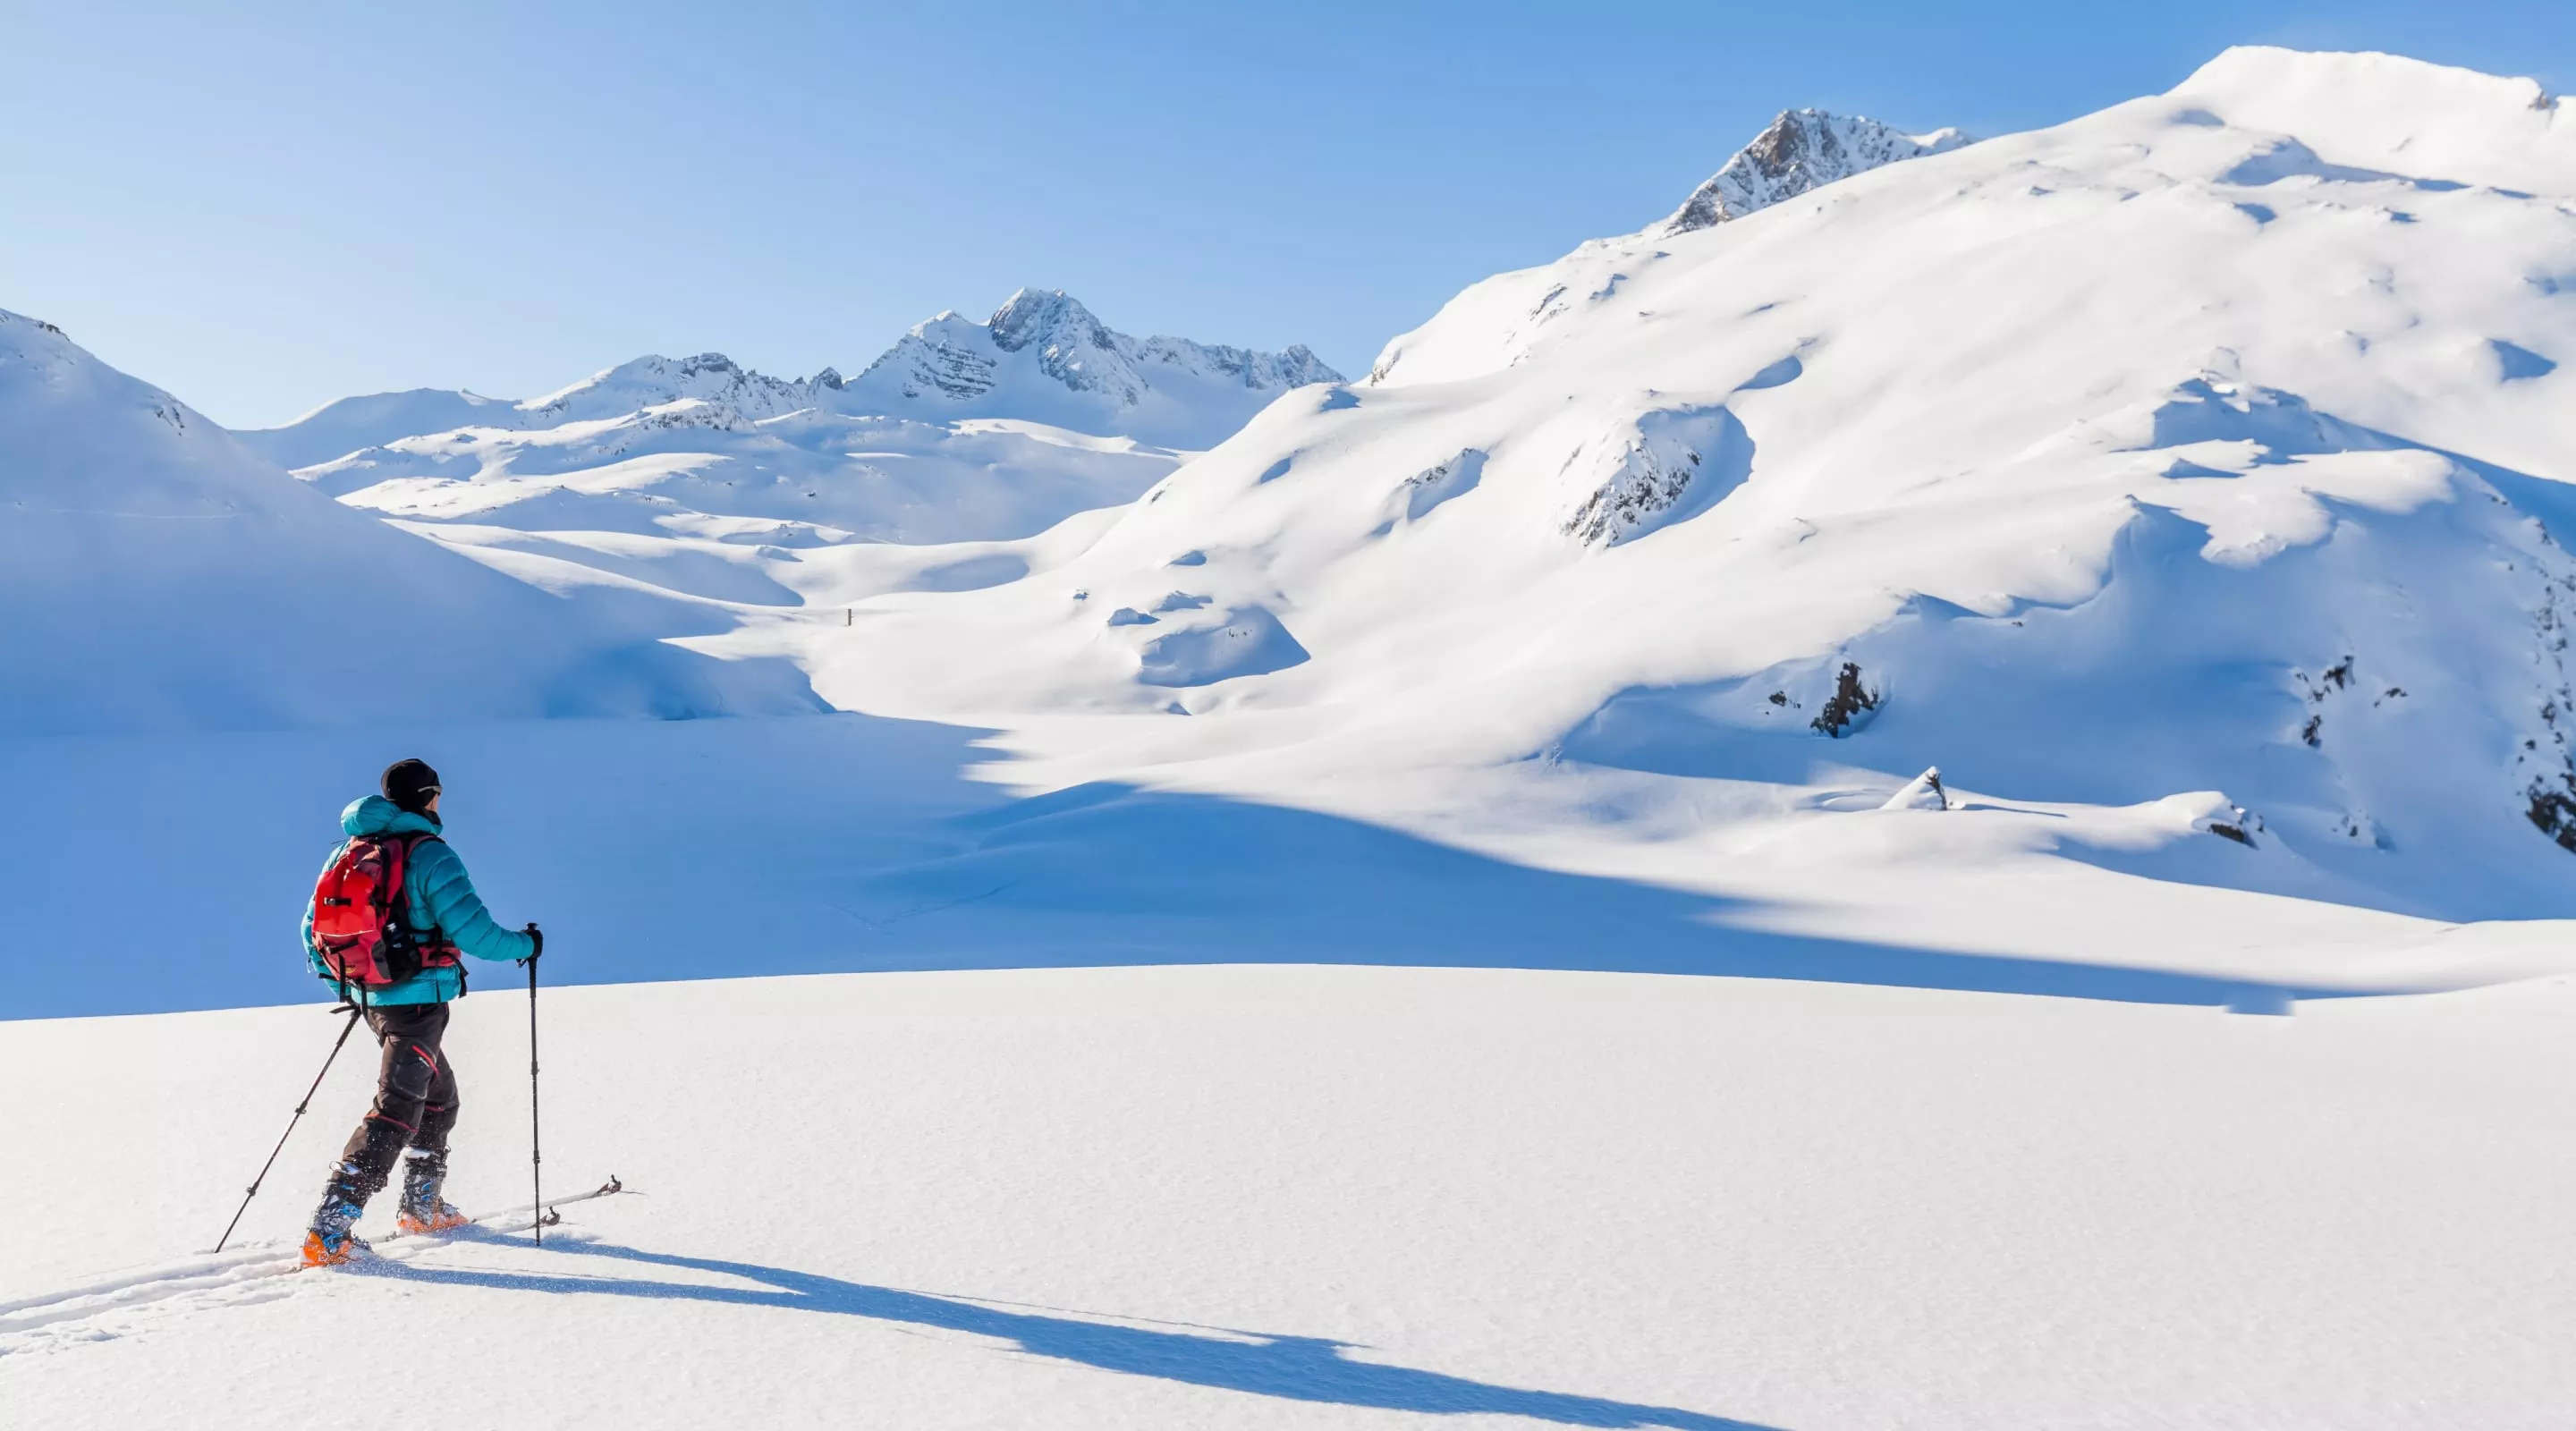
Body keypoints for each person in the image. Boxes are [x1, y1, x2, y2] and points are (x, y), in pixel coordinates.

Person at [300, 758, 539, 1266]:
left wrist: (353, 980)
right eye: (438, 794)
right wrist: (526, 943)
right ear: (428, 796)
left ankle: (420, 1206)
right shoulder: (430, 855)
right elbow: (477, 933)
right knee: (398, 1108)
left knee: (439, 1098)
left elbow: (310, 929)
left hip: (372, 998)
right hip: (417, 1002)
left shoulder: (350, 850)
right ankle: (331, 1228)